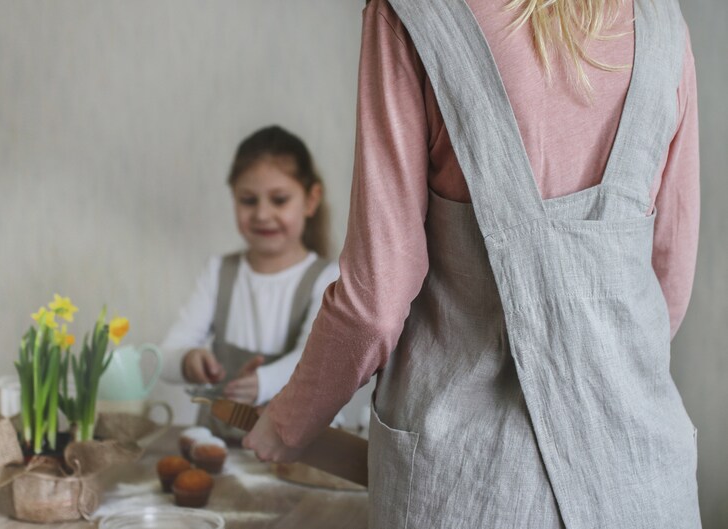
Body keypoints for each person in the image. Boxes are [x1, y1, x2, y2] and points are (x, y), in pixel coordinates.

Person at [244, 0, 700, 528]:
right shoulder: (663, 22)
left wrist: (286, 423)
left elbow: (376, 299)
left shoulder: (412, 13)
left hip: (471, 486)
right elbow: (668, 282)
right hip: (643, 480)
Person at [160, 125, 339, 412]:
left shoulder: (328, 279)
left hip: (300, 453)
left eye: (279, 200)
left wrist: (264, 382)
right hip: (221, 450)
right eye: (248, 200)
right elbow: (165, 358)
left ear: (311, 200)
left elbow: (318, 362)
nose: (262, 214)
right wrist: (188, 359)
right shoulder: (218, 272)